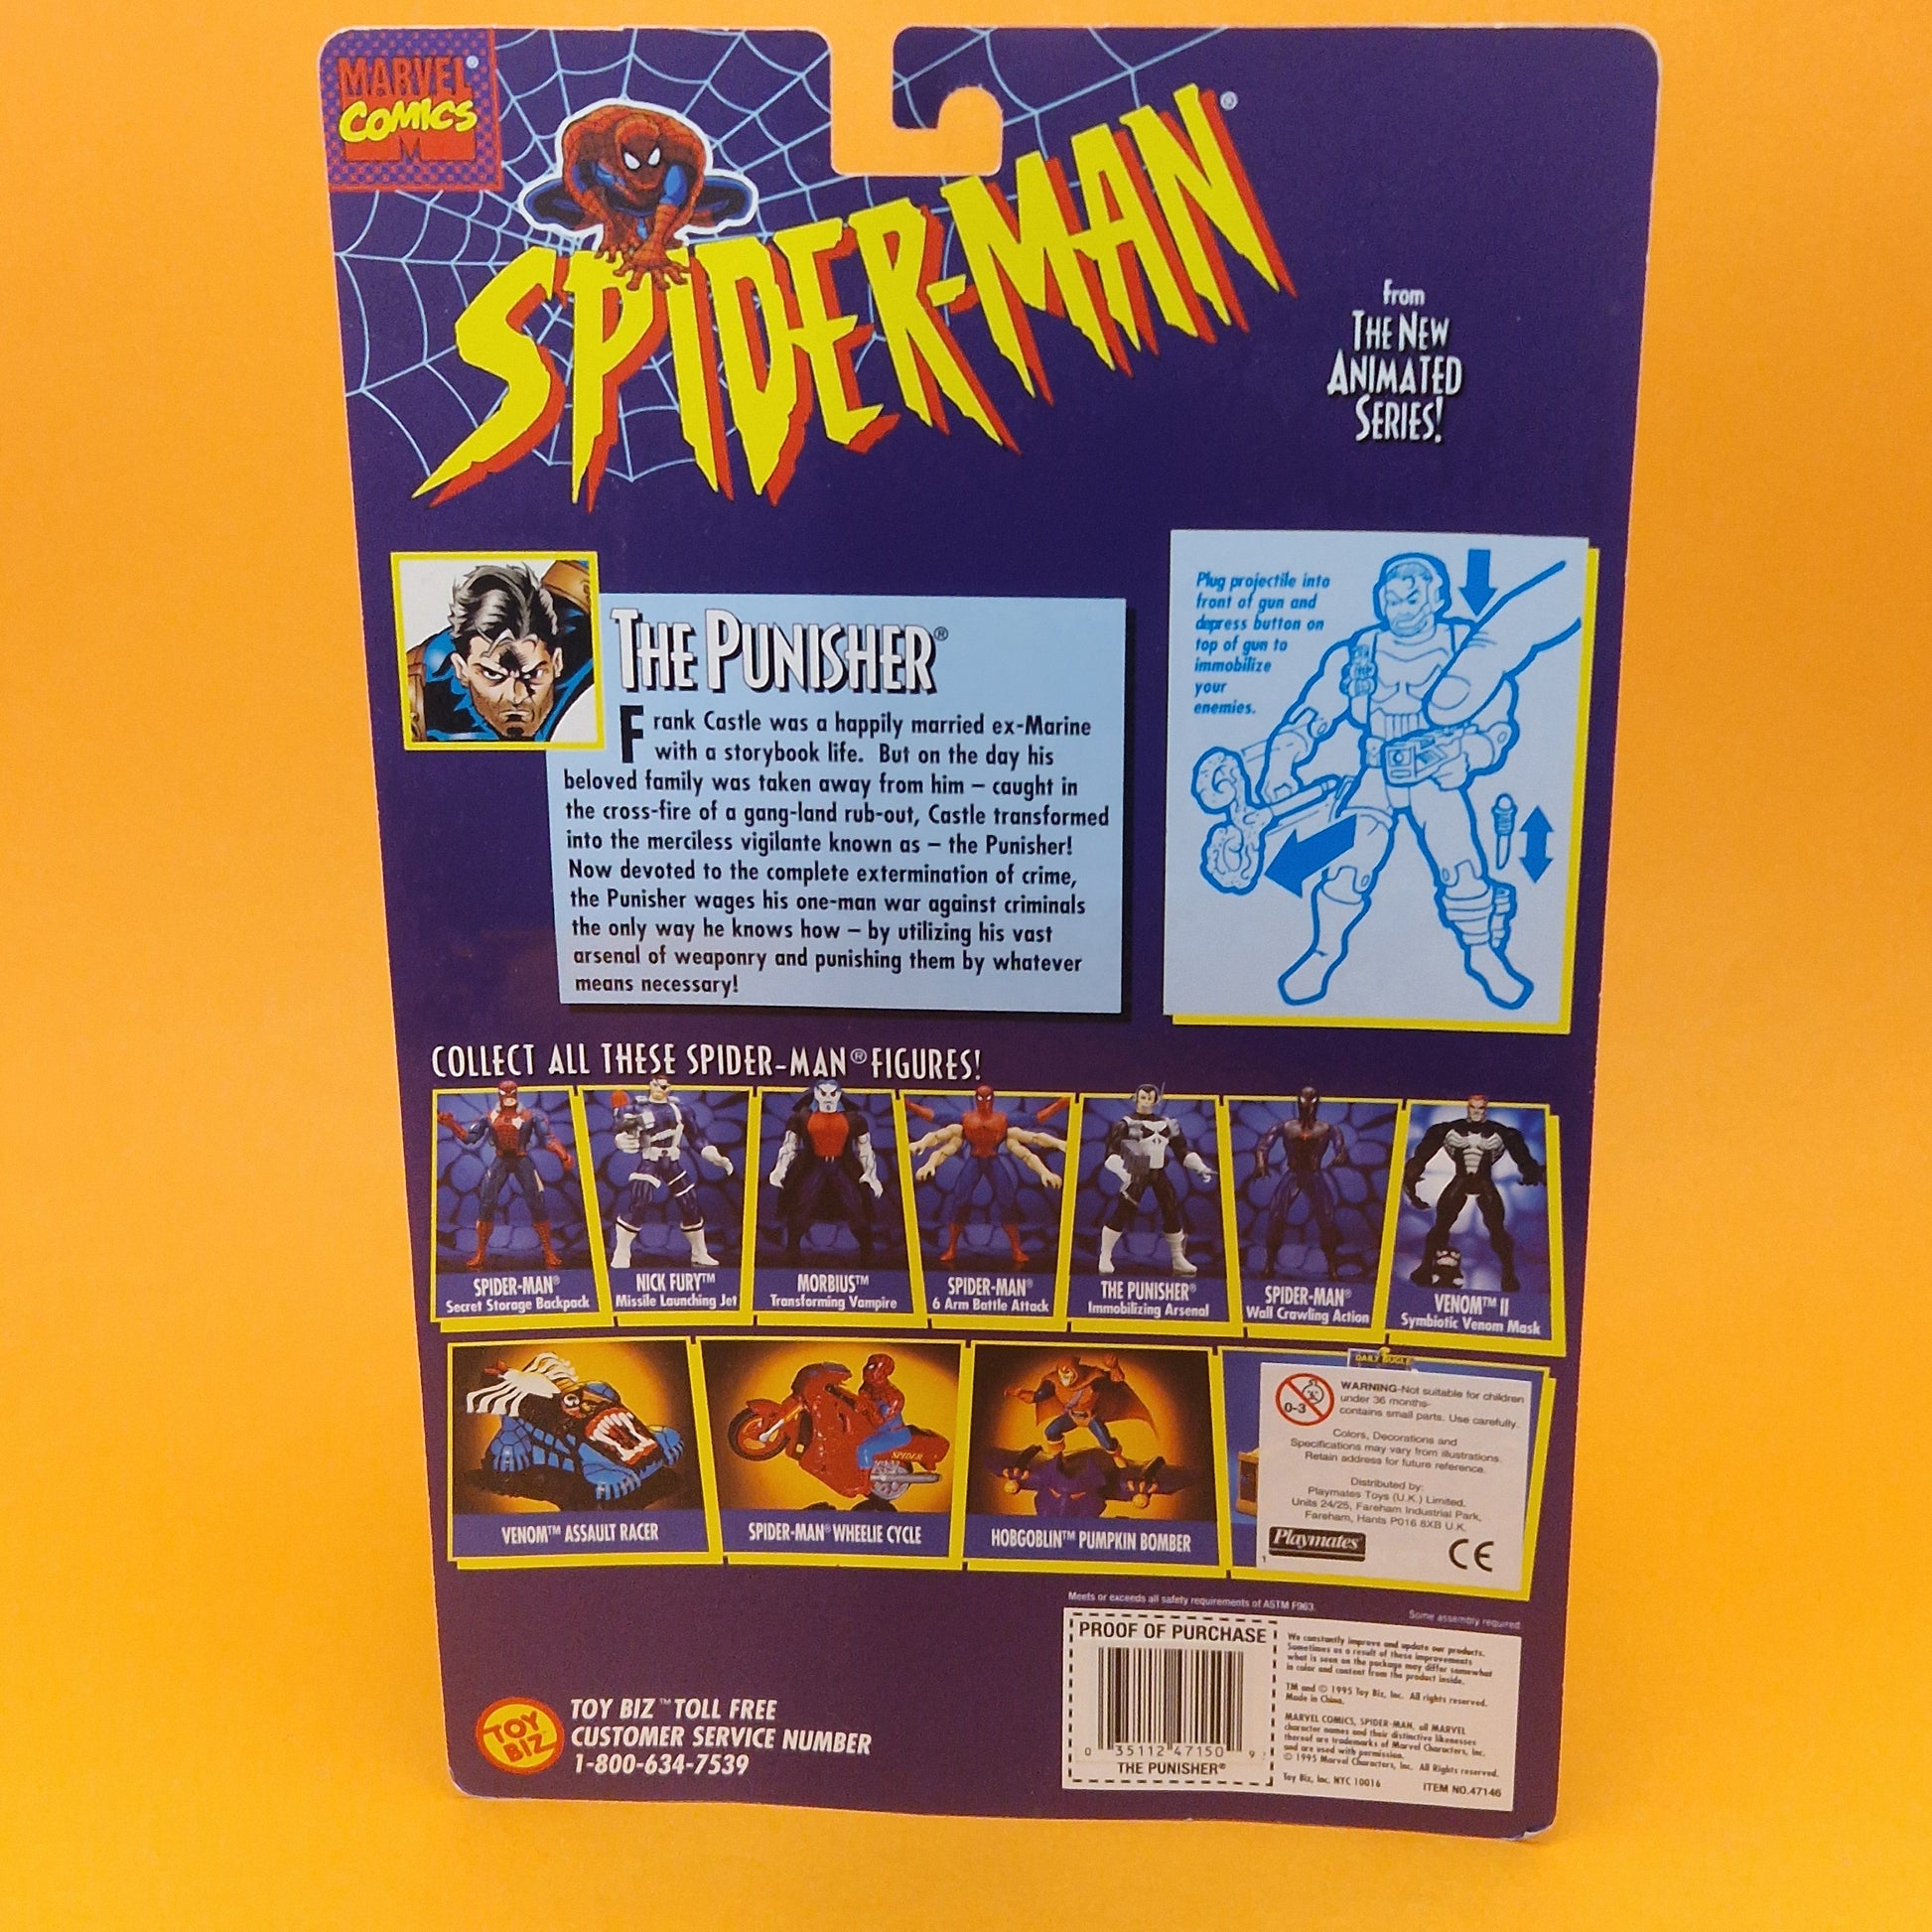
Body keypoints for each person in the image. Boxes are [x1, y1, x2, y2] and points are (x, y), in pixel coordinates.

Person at [1256, 551, 1578, 1008]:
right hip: (1375, 774)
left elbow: (1497, 725)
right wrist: (1282, 759)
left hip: (1436, 776)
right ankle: (1324, 952)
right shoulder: (1360, 652)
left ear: (1437, 598)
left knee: (1461, 866)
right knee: (1349, 865)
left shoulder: (1465, 648)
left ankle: (1484, 955)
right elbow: (1314, 712)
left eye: (1411, 597)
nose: (1401, 607)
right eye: (1391, 598)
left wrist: (1469, 756)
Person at [406, 559, 594, 743]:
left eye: (533, 674)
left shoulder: (577, 634)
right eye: (492, 674)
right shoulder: (420, 693)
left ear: (557, 662)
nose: (516, 697)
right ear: (461, 669)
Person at [1403, 1094, 1546, 1294]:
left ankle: (1508, 1274)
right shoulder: (1447, 1130)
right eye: (1473, 1107)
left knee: (1497, 1230)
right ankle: (1426, 1267)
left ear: (1486, 1109)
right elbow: (1421, 1157)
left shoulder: (1503, 1133)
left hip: (1484, 1182)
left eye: (1481, 1108)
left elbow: (1523, 1157)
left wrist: (1531, 1171)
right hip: (1461, 1180)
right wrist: (1411, 1182)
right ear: (1468, 1107)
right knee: (1441, 1225)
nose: (1477, 1112)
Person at [439, 1080, 575, 1269]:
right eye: (505, 1093)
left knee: (537, 1202)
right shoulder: (489, 1117)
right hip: (501, 1161)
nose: (509, 1096)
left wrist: (563, 1154)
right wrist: (451, 1124)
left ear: (516, 1093)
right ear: (499, 1095)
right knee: (486, 1203)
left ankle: (549, 1252)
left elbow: (548, 1138)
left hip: (522, 1160)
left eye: (512, 1092)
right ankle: (480, 1254)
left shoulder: (530, 1116)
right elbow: (470, 1138)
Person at [607, 1079, 734, 1269]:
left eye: (664, 1085)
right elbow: (620, 1126)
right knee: (640, 1202)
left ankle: (700, 1252)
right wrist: (621, 1139)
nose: (660, 1088)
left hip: (672, 1162)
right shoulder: (636, 1108)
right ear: (650, 1084)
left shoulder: (681, 1111)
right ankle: (622, 1251)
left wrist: (713, 1155)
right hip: (650, 1160)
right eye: (656, 1084)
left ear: (670, 1087)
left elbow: (696, 1138)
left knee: (690, 1204)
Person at [1097, 1083, 1216, 1276]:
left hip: (1158, 1172)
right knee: (1123, 1211)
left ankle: (1178, 1258)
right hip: (1137, 1172)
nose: (1146, 1101)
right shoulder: (1125, 1124)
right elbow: (1111, 1153)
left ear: (1156, 1100)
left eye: (1150, 1098)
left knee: (1171, 1210)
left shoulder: (1167, 1124)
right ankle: (1105, 1255)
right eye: (1143, 1097)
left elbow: (1181, 1150)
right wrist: (1123, 1172)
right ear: (1136, 1098)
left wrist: (1200, 1167)